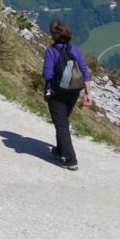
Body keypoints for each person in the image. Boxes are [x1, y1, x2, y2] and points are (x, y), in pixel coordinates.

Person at [42, 20, 96, 171]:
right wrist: (87, 93)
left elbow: (47, 74)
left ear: (53, 35)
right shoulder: (75, 50)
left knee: (61, 124)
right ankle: (60, 149)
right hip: (74, 91)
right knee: (63, 120)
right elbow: (85, 72)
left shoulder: (51, 51)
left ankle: (70, 159)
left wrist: (48, 88)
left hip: (57, 92)